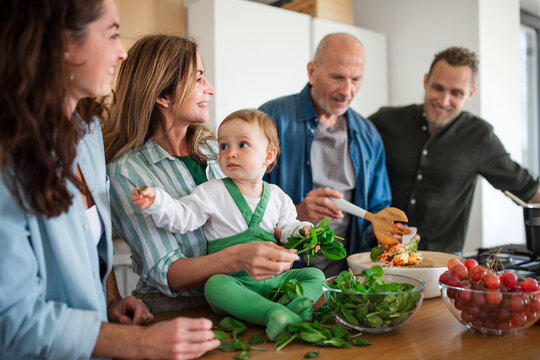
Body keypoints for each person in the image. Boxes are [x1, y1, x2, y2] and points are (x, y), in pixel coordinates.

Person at [0, 1, 220, 359]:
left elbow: (89, 250)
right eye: (113, 34)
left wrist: (112, 301)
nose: (122, 54)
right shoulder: (9, 153)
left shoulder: (87, 133)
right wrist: (140, 343)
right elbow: (11, 321)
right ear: (62, 43)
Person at [104, 34, 300, 313]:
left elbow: (252, 210)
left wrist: (289, 232)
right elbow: (166, 270)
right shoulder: (126, 171)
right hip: (174, 312)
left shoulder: (216, 149)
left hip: (246, 298)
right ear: (162, 95)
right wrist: (237, 258)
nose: (211, 89)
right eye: (198, 79)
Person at [131, 109, 325, 340]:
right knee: (215, 286)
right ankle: (273, 313)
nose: (230, 153)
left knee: (315, 275)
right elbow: (182, 216)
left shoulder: (277, 196)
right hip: (236, 282)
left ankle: (293, 308)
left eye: (242, 145)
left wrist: (304, 232)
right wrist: (157, 201)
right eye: (223, 146)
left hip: (276, 281)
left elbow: (287, 227)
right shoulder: (211, 191)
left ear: (268, 155)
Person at [369, 46, 540, 254]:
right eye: (438, 88)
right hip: (376, 255)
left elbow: (527, 189)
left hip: (440, 265)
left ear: (470, 94)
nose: (443, 101)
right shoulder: (385, 121)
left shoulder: (479, 136)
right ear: (425, 81)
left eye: (456, 93)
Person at [259, 33, 392, 276]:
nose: (347, 90)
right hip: (282, 279)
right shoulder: (270, 119)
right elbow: (240, 209)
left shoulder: (368, 134)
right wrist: (297, 213)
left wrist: (387, 234)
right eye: (337, 77)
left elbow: (378, 208)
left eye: (356, 79)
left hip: (347, 280)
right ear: (312, 72)